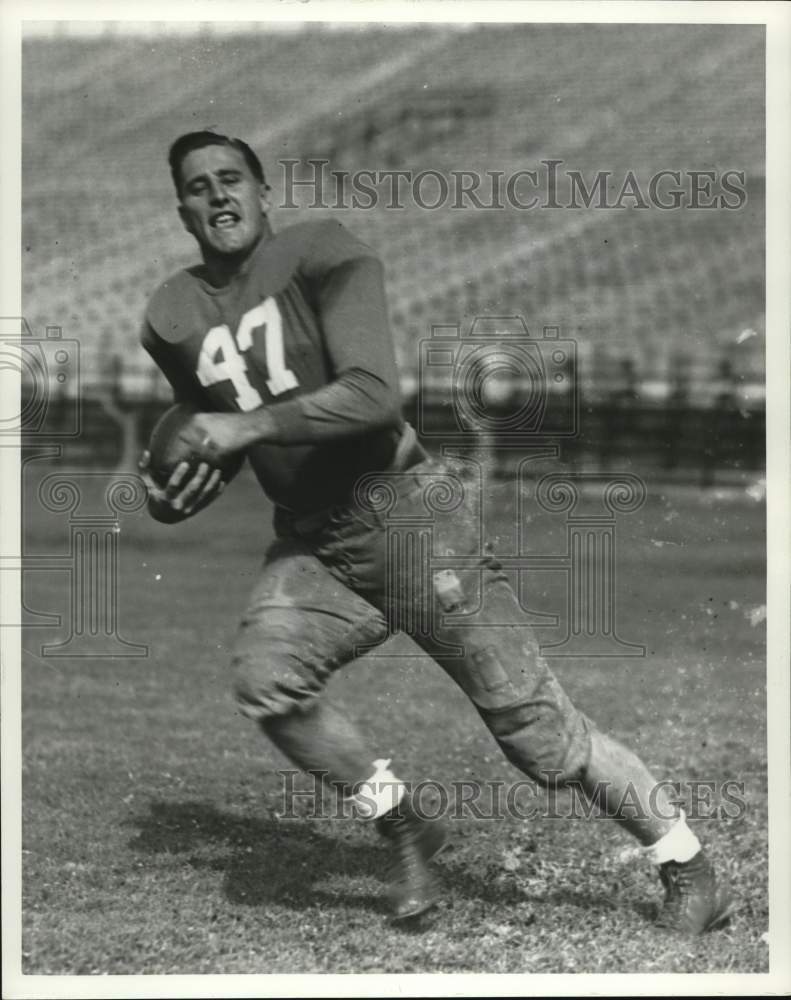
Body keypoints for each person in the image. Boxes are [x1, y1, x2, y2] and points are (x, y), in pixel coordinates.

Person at [139, 130, 732, 932]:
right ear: (181, 209)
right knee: (266, 681)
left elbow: (372, 394)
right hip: (316, 541)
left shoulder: (321, 253)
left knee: (539, 740)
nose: (217, 195)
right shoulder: (172, 315)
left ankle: (686, 864)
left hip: (408, 517)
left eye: (230, 178)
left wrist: (244, 432)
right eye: (198, 186)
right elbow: (209, 420)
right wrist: (176, 486)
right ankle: (406, 824)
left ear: (260, 189)